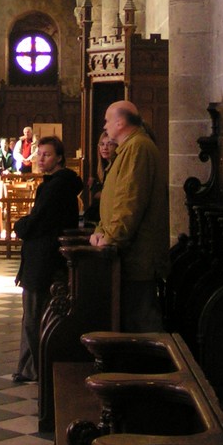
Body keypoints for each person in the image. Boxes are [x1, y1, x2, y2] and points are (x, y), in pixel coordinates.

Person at [89, 100, 169, 332]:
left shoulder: (138, 148)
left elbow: (129, 202)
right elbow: (114, 201)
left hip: (138, 259)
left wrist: (111, 237)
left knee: (142, 324)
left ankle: (151, 368)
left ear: (120, 122)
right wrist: (99, 231)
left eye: (107, 120)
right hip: (128, 258)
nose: (105, 126)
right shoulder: (127, 149)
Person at [12, 135, 82, 382]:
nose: (41, 159)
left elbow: (39, 220)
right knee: (32, 316)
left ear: (60, 157)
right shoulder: (57, 183)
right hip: (42, 258)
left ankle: (38, 369)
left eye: (47, 154)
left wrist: (20, 225)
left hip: (43, 260)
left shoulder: (58, 186)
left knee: (34, 317)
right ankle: (29, 368)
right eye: (39, 154)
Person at [82, 130, 117, 227]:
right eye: (102, 144)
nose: (105, 148)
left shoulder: (116, 166)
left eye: (109, 144)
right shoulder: (104, 168)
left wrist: (98, 190)